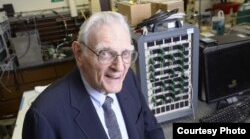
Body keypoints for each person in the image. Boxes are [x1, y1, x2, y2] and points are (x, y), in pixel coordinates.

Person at [22, 11, 165, 139]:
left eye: (126, 53)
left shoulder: (128, 79)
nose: (120, 67)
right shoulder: (44, 116)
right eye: (105, 53)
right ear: (79, 53)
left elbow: (151, 130)